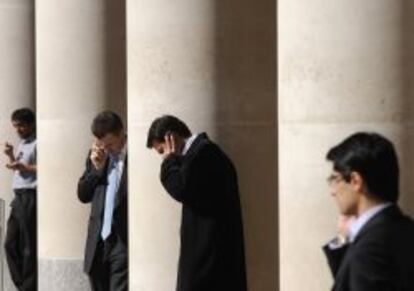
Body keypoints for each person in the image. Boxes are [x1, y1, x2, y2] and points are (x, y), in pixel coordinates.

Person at [146, 115, 247, 291]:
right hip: (210, 258)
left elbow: (180, 189)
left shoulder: (204, 154)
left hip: (210, 260)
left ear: (171, 138)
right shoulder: (201, 154)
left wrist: (169, 162)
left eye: (162, 151)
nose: (164, 157)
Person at [323, 132, 414, 291]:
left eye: (335, 179)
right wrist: (343, 241)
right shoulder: (405, 229)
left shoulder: (369, 249)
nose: (332, 191)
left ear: (356, 181)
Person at [78, 111, 128, 291]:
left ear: (121, 132)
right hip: (98, 240)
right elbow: (83, 195)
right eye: (101, 144)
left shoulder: (135, 156)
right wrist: (96, 170)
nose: (106, 149)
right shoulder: (97, 156)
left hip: (123, 241)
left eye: (110, 144)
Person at [3, 108, 37, 291]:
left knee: (28, 244)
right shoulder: (23, 143)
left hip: (30, 195)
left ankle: (29, 286)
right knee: (10, 243)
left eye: (21, 126)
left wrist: (24, 167)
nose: (18, 130)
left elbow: (44, 167)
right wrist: (11, 156)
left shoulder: (38, 142)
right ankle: (21, 284)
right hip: (18, 196)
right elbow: (21, 167)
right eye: (16, 126)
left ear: (31, 124)